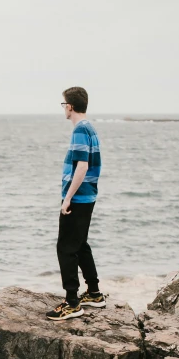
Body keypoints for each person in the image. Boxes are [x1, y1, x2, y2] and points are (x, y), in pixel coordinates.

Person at [46, 86, 106, 321]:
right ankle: (94, 293)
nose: (63, 109)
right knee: (80, 245)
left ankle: (72, 302)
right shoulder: (90, 128)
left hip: (78, 197)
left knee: (66, 248)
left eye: (63, 104)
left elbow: (82, 167)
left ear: (69, 106)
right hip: (88, 195)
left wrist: (68, 197)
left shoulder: (80, 131)